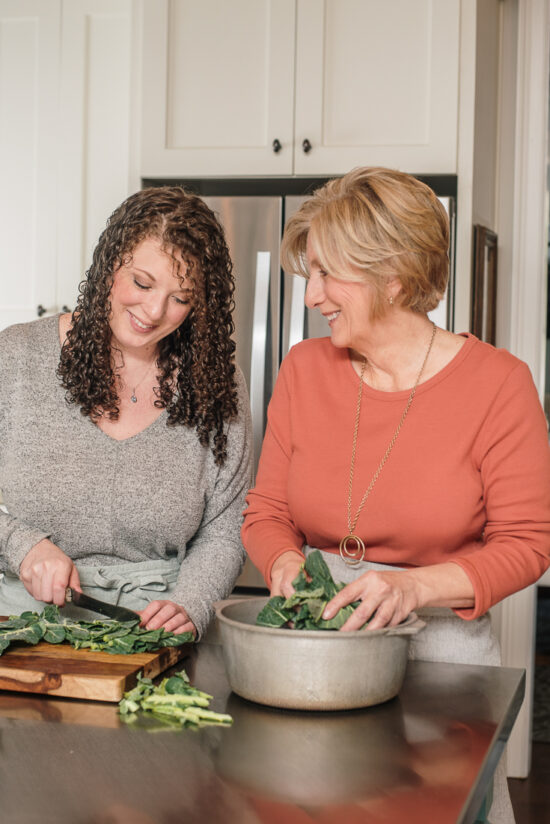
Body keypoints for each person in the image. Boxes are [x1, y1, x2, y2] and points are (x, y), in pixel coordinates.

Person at [241, 167, 550, 823]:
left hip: (445, 662)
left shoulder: (499, 385)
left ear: (396, 277)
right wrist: (286, 564)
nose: (311, 297)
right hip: (318, 649)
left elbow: (528, 544)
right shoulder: (303, 371)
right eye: (308, 275)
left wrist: (411, 589)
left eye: (328, 275)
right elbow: (266, 513)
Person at [0, 186, 252, 639]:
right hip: (18, 628)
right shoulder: (15, 357)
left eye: (182, 298)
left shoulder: (216, 381)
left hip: (154, 631)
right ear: (109, 265)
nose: (154, 312)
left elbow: (226, 526)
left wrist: (191, 604)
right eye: (142, 283)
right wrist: (22, 546)